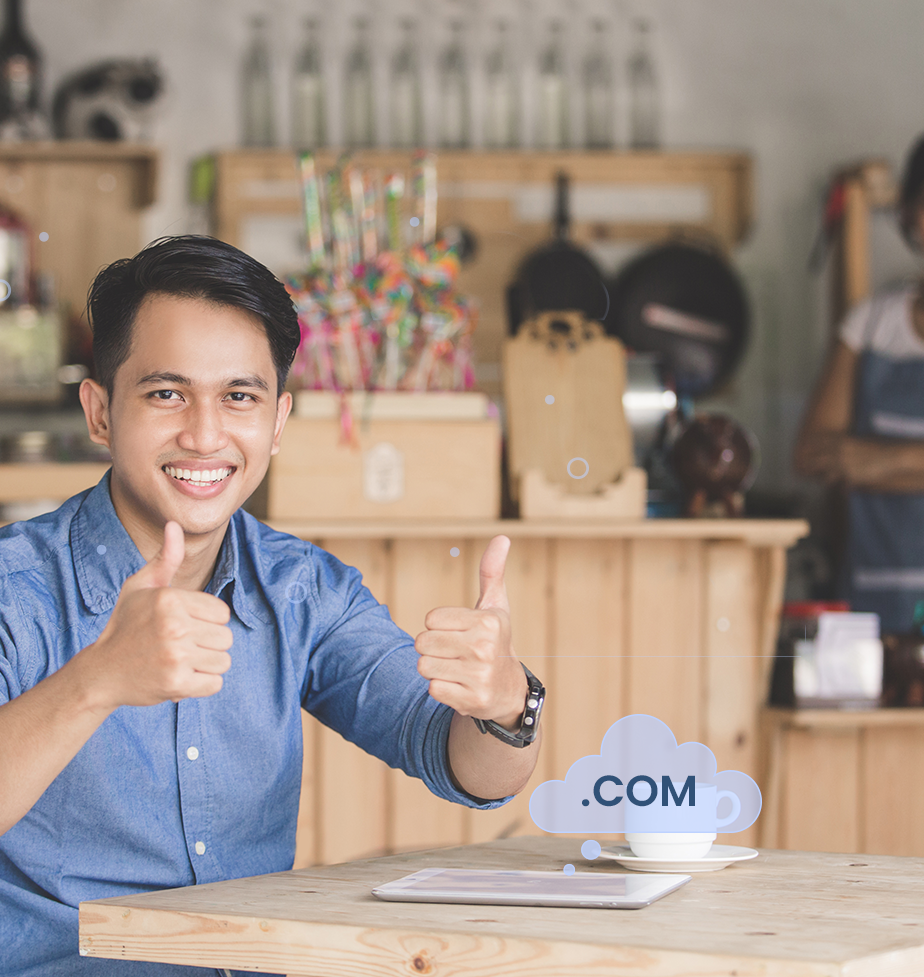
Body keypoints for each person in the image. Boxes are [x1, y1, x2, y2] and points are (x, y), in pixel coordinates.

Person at [0, 236, 543, 976]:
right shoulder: (16, 586)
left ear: (278, 421)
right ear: (100, 412)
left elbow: (466, 766)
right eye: (166, 393)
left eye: (239, 397)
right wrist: (97, 679)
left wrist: (508, 703)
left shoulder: (302, 589)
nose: (204, 433)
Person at [796, 127, 924, 695]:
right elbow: (813, 454)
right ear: (909, 213)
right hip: (870, 603)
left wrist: (876, 459)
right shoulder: (873, 322)